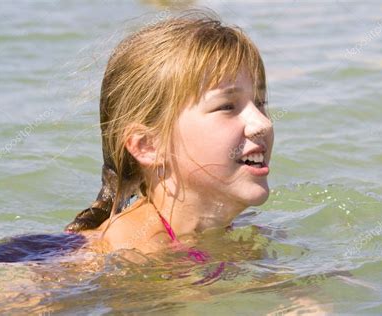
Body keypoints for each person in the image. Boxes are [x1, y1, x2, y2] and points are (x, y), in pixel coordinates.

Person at [66, 11, 274, 255]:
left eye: (260, 103)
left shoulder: (239, 232)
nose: (263, 123)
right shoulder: (131, 251)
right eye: (227, 106)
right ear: (148, 146)